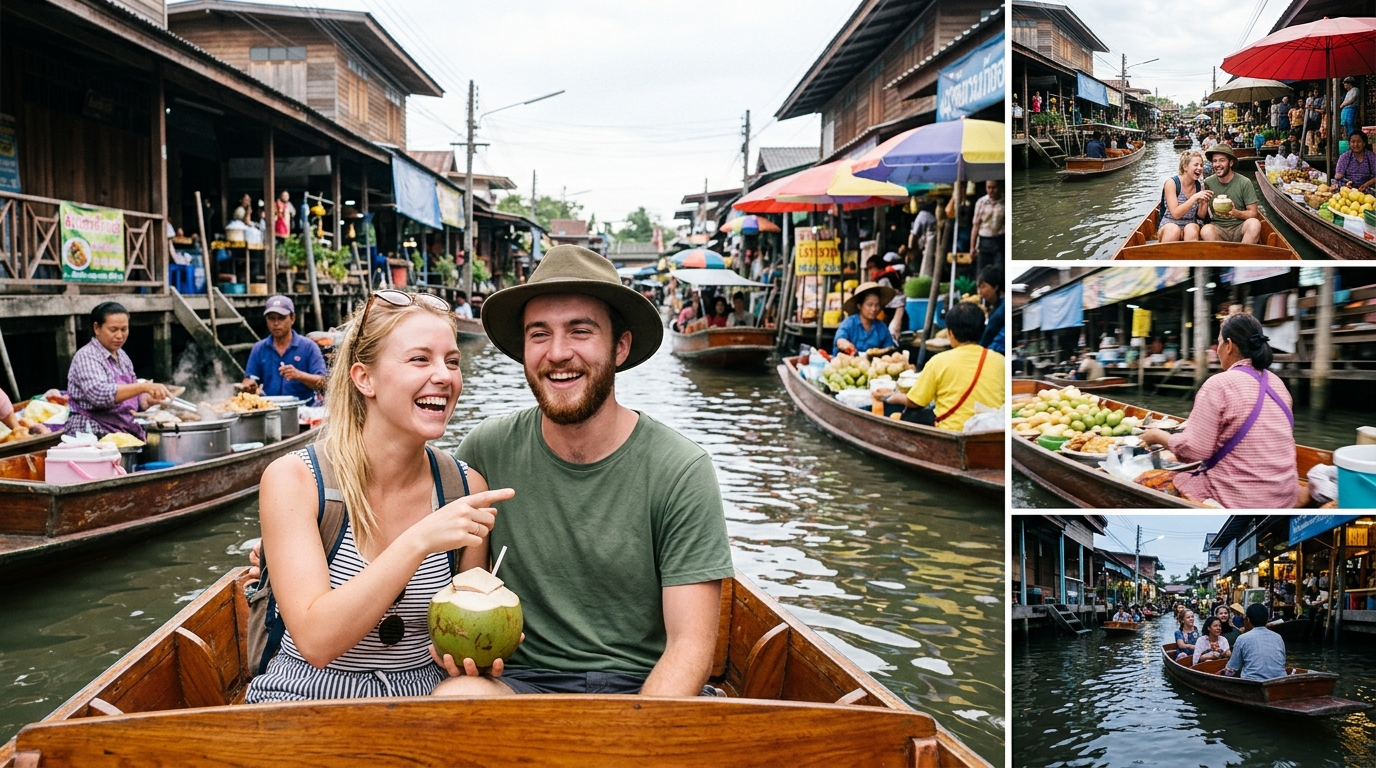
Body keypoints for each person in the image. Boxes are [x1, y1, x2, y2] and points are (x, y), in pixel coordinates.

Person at [430, 245, 733, 698]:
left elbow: (690, 647)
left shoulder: (680, 469)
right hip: (523, 683)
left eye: (580, 331)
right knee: (454, 699)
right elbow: (456, 583)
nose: (557, 353)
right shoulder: (486, 451)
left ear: (620, 346)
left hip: (644, 686)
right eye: (539, 334)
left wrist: (631, 737)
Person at [245, 288, 511, 703]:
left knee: (481, 693)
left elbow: (460, 631)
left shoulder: (462, 488)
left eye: (452, 361)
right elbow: (316, 641)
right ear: (363, 378)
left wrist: (476, 651)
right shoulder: (296, 479)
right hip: (306, 697)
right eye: (420, 359)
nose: (444, 375)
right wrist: (420, 539)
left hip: (423, 699)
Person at [1139, 313, 1297, 507]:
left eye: (1219, 342)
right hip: (1285, 495)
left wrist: (1156, 435)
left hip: (1241, 499)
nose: (1218, 349)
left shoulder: (1219, 384)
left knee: (1144, 480)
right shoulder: (1278, 383)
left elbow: (1193, 450)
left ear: (1229, 345)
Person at [885, 302, 1004, 432]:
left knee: (910, 414)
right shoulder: (1000, 360)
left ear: (950, 333)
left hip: (952, 431)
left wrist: (894, 397)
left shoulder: (938, 361)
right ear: (982, 331)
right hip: (993, 431)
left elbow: (915, 402)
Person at [65, 302, 170, 440]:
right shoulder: (87, 356)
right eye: (113, 329)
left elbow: (130, 401)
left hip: (120, 431)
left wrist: (147, 400)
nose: (120, 335)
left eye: (124, 329)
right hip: (91, 432)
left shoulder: (123, 356)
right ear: (97, 328)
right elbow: (99, 394)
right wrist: (144, 386)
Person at [240, 296, 328, 402]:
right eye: (271, 318)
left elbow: (323, 382)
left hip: (304, 408)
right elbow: (249, 378)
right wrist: (249, 385)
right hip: (269, 407)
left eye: (281, 318)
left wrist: (299, 375)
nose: (276, 323)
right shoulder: (259, 348)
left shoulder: (308, 347)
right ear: (266, 320)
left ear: (292, 319)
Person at [1200, 145, 1262, 244]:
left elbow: (1253, 213)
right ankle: (1222, 257)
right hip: (1218, 227)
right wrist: (1202, 200)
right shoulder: (1208, 183)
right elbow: (1201, 215)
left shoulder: (1244, 182)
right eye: (1215, 161)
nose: (1217, 164)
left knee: (1254, 224)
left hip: (1240, 227)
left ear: (1231, 163)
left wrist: (1236, 213)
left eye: (1222, 160)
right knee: (1206, 230)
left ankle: (1241, 256)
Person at [1223, 604, 1287, 680]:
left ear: (1248, 620)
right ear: (1267, 620)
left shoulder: (1242, 638)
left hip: (1252, 682)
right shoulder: (1278, 637)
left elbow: (1231, 669)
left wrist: (1221, 673)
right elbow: (1282, 662)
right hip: (1279, 681)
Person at [1158, 151, 1210, 242]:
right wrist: (1194, 197)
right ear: (1185, 167)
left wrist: (1204, 202)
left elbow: (1200, 216)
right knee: (1173, 230)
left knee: (1191, 230)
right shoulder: (1172, 183)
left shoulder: (1199, 186)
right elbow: (1176, 214)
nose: (1200, 168)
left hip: (1190, 222)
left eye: (1201, 165)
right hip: (1170, 222)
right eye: (1196, 165)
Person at [833, 283, 896, 356]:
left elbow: (889, 349)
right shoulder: (849, 323)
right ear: (860, 306)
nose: (874, 309)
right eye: (869, 305)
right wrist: (845, 344)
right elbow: (840, 339)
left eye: (877, 305)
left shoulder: (882, 327)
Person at [970, 180, 1005, 271]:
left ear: (999, 187)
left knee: (999, 271)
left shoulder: (1005, 202)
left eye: (994, 188)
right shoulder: (981, 202)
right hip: (984, 241)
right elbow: (976, 225)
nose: (991, 190)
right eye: (988, 187)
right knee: (981, 272)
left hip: (999, 240)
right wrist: (972, 247)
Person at [976, 265, 1004, 355]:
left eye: (983, 287)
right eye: (978, 287)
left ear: (995, 287)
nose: (980, 292)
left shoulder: (1003, 308)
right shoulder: (995, 306)